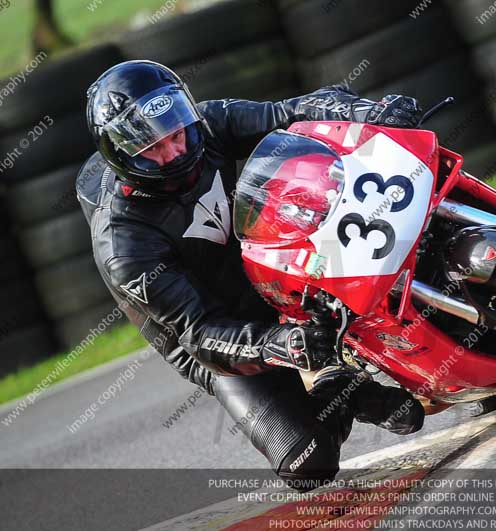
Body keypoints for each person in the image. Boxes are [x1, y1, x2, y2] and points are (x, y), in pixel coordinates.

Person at [77, 60, 425, 488]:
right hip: (218, 338)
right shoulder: (124, 242)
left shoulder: (207, 124)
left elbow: (292, 112)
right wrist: (277, 343)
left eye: (176, 133)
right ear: (121, 155)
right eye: (154, 148)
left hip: (271, 270)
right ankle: (340, 387)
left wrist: (367, 112)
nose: (175, 153)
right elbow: (200, 334)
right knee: (306, 463)